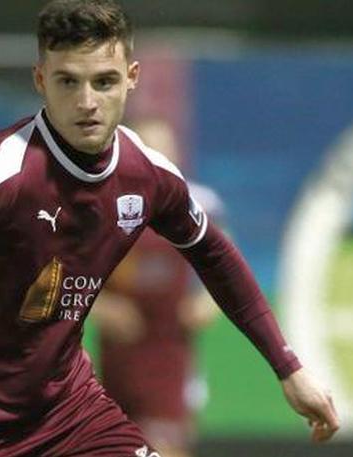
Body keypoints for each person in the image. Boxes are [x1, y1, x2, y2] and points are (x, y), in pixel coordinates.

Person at [0, 1, 340, 456]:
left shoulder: (149, 175)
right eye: (68, 81)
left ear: (132, 78)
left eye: (104, 81)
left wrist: (288, 368)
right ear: (41, 79)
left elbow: (214, 254)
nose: (87, 101)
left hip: (67, 417)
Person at [94, 116, 223, 457]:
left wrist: (206, 304)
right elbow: (65, 273)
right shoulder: (101, 206)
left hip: (171, 352)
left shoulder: (198, 205)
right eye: (144, 148)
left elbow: (227, 265)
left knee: (167, 444)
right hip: (117, 356)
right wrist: (102, 307)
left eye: (161, 148)